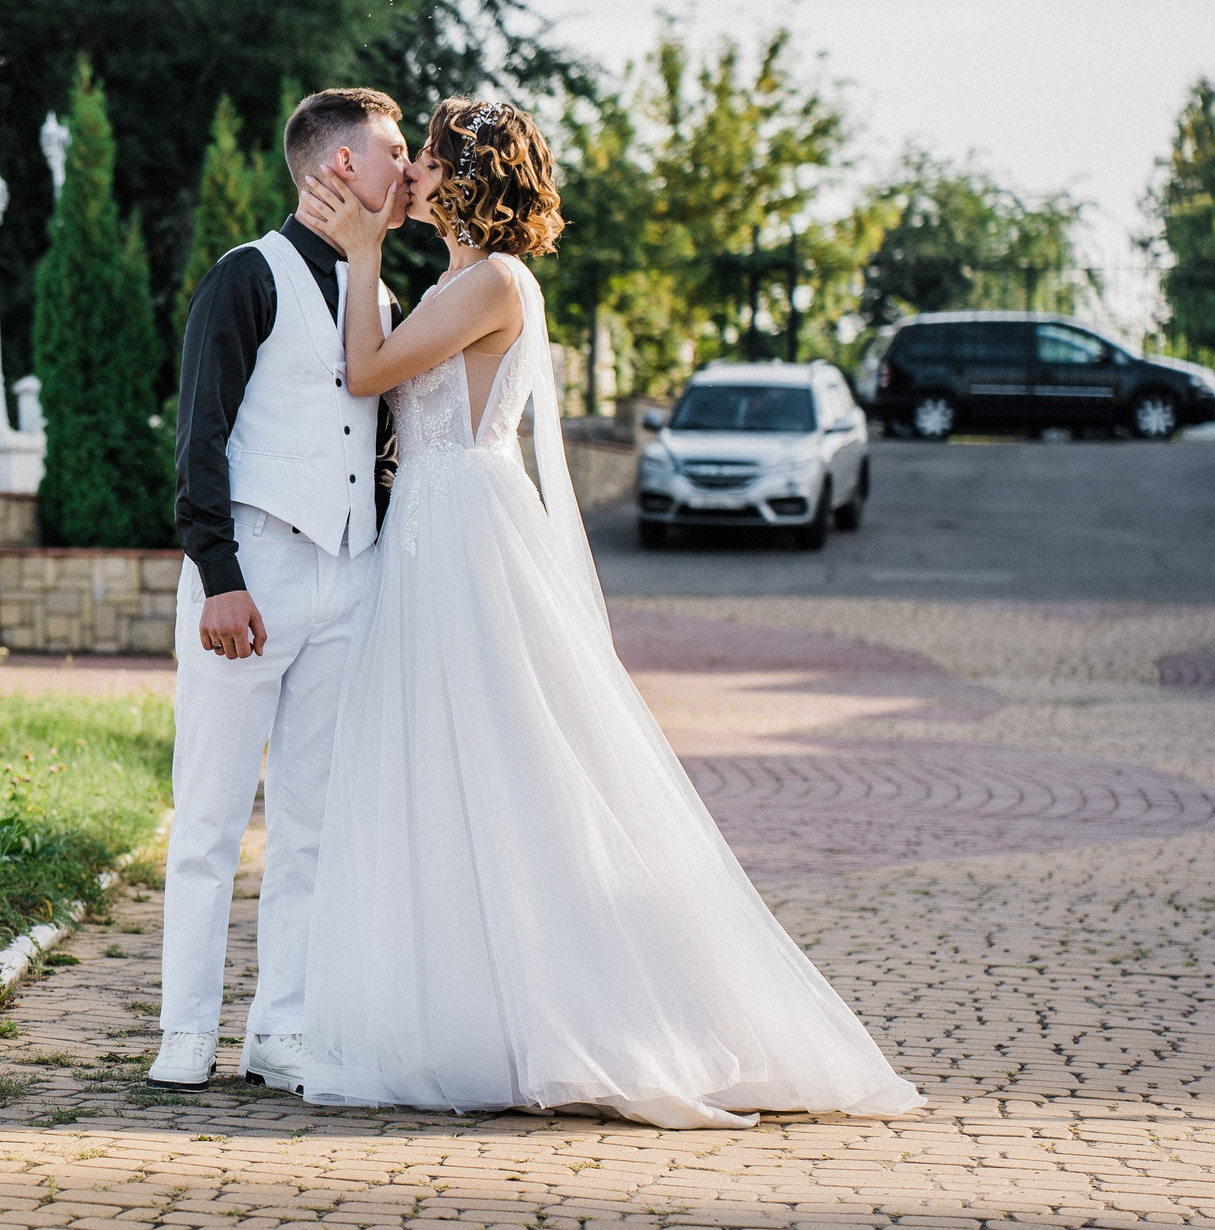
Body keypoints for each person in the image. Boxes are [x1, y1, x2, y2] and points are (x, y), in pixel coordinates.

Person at [290, 98, 921, 1129]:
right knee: (444, 768)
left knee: (511, 762)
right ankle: (470, 1015)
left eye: (427, 160)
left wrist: (361, 255)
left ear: (466, 178)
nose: (407, 174)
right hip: (429, 539)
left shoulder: (496, 281)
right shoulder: (453, 281)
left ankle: (582, 1014)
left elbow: (366, 371)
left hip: (467, 537)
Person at [148, 88, 408, 1094]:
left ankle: (280, 1029)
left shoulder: (379, 294)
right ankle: (185, 1029)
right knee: (211, 815)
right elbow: (199, 436)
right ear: (341, 164)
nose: (406, 169)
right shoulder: (245, 275)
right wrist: (218, 574)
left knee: (311, 823)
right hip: (252, 571)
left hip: (349, 575)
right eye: (392, 151)